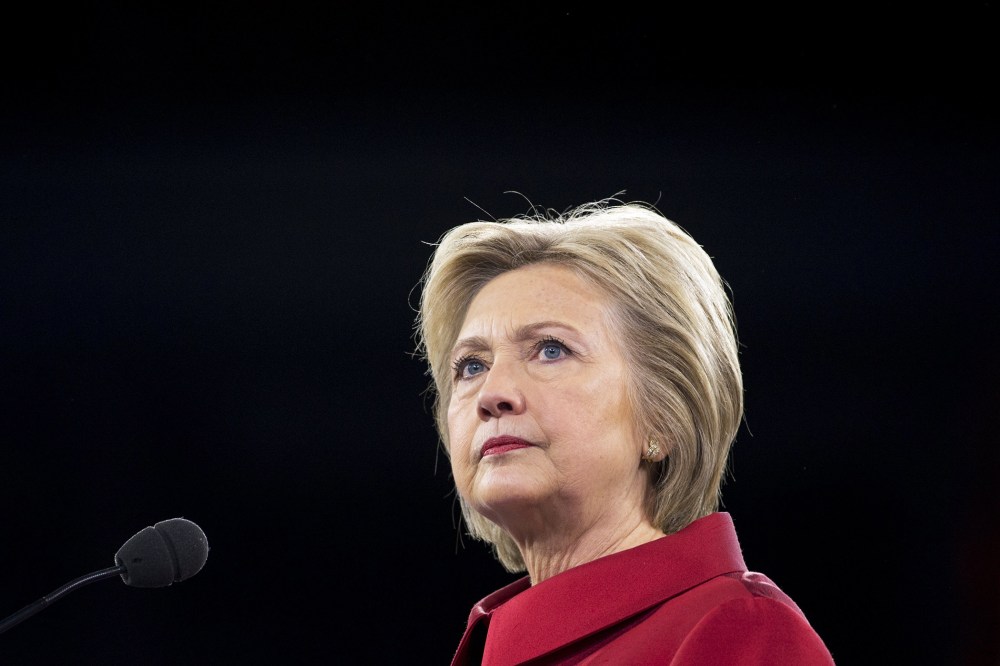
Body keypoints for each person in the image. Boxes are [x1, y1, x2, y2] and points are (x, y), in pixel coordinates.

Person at [413, 197, 835, 665]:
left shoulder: (739, 630)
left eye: (551, 350)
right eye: (472, 366)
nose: (493, 394)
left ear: (662, 416)